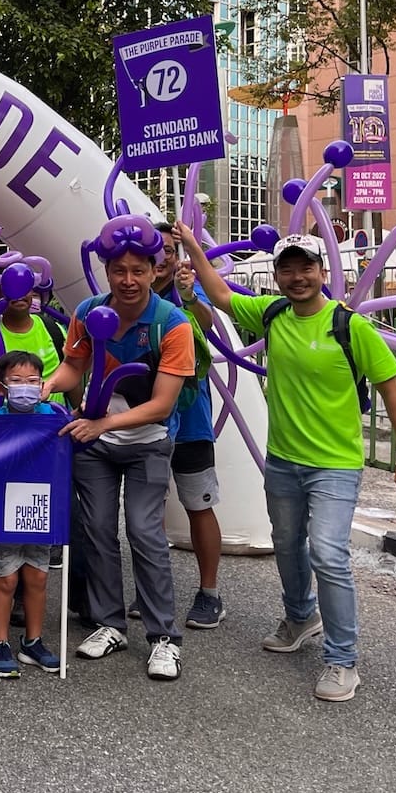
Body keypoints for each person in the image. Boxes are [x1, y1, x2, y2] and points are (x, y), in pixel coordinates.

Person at [178, 225, 396, 702]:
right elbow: (220, 293)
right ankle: (299, 616)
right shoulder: (273, 314)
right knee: (287, 545)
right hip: (284, 461)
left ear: (322, 272)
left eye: (305, 267)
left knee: (327, 553)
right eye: (286, 269)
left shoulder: (351, 326)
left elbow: (391, 386)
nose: (296, 277)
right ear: (277, 275)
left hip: (335, 465)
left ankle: (342, 659)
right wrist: (191, 245)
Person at [40, 227, 193, 682]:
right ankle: (109, 624)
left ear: (154, 270)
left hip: (147, 444)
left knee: (145, 533)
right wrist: (47, 385)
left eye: (138, 270)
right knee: (98, 531)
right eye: (119, 270)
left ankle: (164, 637)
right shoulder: (88, 312)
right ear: (106, 270)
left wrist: (102, 422)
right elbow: (74, 366)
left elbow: (162, 404)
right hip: (96, 446)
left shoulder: (173, 323)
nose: (128, 280)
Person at [153, 222, 225, 630]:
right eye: (154, 249)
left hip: (191, 422)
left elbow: (208, 324)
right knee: (149, 511)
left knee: (199, 506)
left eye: (167, 249)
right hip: (150, 423)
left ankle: (210, 592)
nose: (161, 257)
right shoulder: (132, 295)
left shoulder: (185, 291)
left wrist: (186, 296)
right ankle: (154, 588)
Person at [0, 351, 66, 676]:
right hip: (1, 510)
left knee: (38, 577)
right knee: (5, 579)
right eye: (16, 382)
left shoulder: (53, 418)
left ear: (43, 384)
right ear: (2, 388)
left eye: (32, 381)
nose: (26, 388)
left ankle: (33, 641)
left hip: (39, 509)